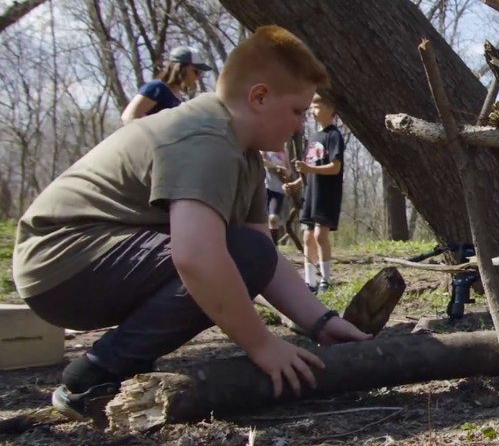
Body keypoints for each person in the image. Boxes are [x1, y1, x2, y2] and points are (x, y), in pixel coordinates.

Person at [11, 25, 372, 422]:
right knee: (232, 254)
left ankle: (119, 364)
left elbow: (261, 258)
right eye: (297, 111)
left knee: (247, 251)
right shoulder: (204, 138)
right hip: (61, 261)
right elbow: (197, 256)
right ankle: (94, 376)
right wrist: (263, 345)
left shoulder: (243, 151)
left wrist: (320, 322)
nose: (301, 125)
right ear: (260, 97)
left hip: (90, 262)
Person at [283, 94, 344, 293]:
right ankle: (310, 282)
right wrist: (295, 183)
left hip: (326, 194)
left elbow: (335, 167)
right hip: (310, 194)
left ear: (330, 108)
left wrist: (308, 169)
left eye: (317, 106)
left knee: (320, 235)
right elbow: (309, 169)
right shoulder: (313, 138)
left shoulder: (334, 135)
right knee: (307, 235)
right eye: (312, 107)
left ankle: (326, 279)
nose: (312, 111)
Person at [121, 46, 214, 125]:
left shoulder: (179, 97)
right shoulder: (157, 88)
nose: (197, 77)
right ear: (180, 68)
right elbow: (129, 118)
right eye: (196, 71)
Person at [262, 149, 291, 243]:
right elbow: (262, 160)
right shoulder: (265, 148)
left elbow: (288, 169)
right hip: (265, 187)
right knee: (262, 218)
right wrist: (275, 167)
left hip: (278, 190)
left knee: (273, 218)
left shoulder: (283, 151)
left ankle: (273, 245)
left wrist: (285, 173)